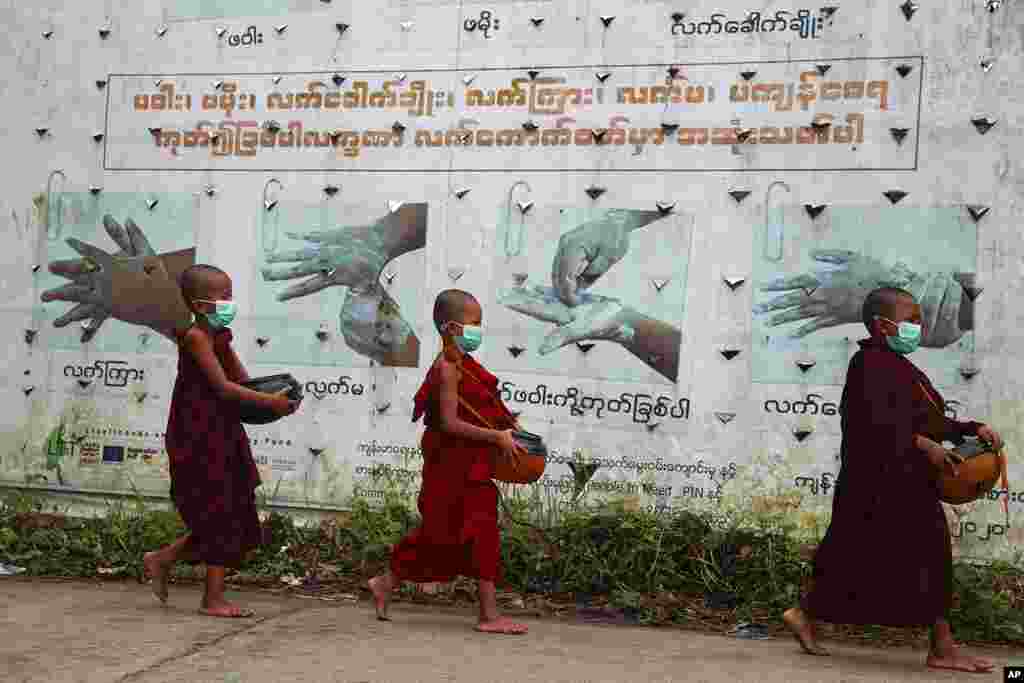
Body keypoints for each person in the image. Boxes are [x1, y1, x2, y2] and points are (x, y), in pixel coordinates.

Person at [782, 287, 1003, 674]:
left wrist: (972, 429)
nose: (920, 326)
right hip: (877, 482)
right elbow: (873, 424)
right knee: (914, 554)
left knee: (860, 558)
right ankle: (942, 647)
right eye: (912, 320)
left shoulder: (903, 369)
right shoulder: (867, 365)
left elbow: (931, 422)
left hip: (906, 479)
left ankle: (805, 613)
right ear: (883, 326)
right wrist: (925, 445)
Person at [367, 289, 528, 634]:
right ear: (452, 327)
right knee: (439, 536)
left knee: (482, 533)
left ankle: (486, 614)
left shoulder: (465, 366)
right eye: (475, 324)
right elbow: (451, 423)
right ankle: (388, 581)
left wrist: (505, 421)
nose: (479, 330)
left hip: (469, 466)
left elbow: (480, 407)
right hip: (450, 467)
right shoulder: (447, 369)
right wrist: (496, 437)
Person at [143, 264, 300, 618]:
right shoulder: (196, 337)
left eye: (231, 295)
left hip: (224, 430)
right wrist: (268, 402)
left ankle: (162, 558)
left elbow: (242, 383)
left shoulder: (220, 335)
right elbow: (222, 387)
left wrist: (275, 399)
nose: (230, 303)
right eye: (223, 297)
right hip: (198, 434)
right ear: (199, 305)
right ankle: (212, 599)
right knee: (219, 513)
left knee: (237, 510)